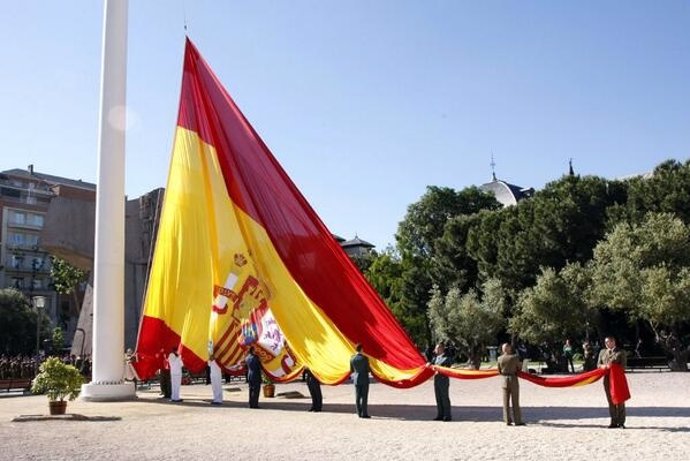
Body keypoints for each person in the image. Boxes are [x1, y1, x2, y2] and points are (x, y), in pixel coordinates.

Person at [597, 336, 627, 428]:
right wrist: (603, 367)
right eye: (606, 342)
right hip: (607, 379)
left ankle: (621, 422)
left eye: (609, 342)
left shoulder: (621, 352)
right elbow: (598, 364)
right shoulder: (602, 352)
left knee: (620, 401)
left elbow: (623, 367)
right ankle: (613, 421)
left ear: (614, 342)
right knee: (610, 401)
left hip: (617, 379)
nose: (607, 344)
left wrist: (612, 367)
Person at [497, 343, 524, 426]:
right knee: (515, 401)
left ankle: (507, 420)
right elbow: (519, 368)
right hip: (513, 379)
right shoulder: (514, 358)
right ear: (509, 348)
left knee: (505, 402)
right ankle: (517, 420)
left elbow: (499, 370)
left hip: (504, 380)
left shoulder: (499, 358)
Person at [431, 342, 452, 421]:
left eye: (436, 348)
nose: (435, 350)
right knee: (438, 397)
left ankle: (447, 415)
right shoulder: (435, 358)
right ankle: (440, 415)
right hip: (437, 379)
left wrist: (437, 369)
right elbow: (431, 365)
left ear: (441, 348)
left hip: (443, 380)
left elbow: (447, 368)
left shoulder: (446, 358)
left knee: (444, 397)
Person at [350, 343, 371, 418]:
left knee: (357, 397)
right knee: (364, 397)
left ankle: (359, 413)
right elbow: (368, 369)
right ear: (361, 349)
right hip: (364, 379)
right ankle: (364, 413)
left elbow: (351, 370)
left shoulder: (352, 358)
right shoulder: (365, 358)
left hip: (356, 379)